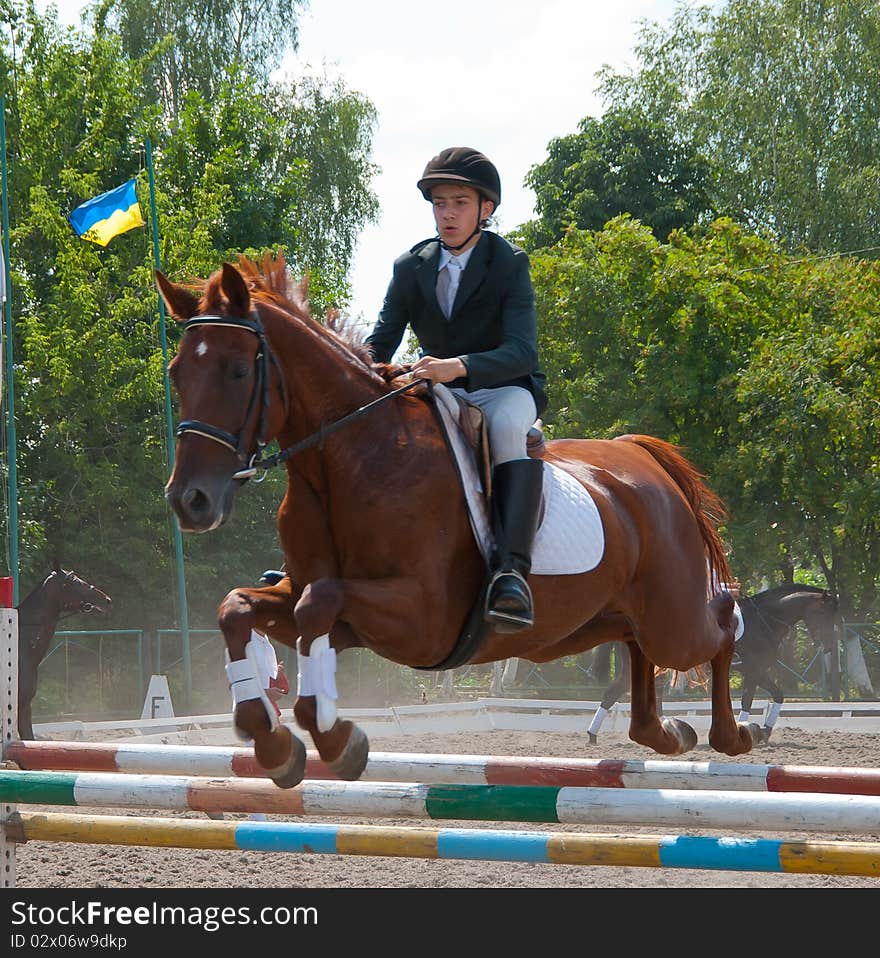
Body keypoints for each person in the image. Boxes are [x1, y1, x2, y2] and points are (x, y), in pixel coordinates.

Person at [365, 146, 548, 633]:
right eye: (439, 202)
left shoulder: (509, 263)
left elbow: (521, 351)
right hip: (438, 390)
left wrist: (456, 367)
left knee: (509, 429)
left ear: (485, 209)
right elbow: (379, 343)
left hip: (503, 388)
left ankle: (511, 572)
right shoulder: (410, 267)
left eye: (459, 203)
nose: (447, 213)